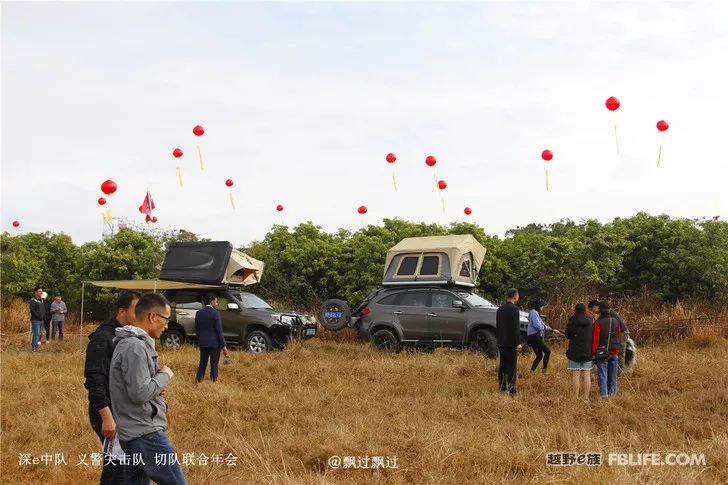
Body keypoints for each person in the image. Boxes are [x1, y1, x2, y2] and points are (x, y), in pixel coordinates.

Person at [109, 293, 186, 484]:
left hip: (132, 432)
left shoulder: (131, 344)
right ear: (153, 317)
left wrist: (155, 387)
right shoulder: (135, 347)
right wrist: (164, 376)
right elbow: (139, 393)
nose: (167, 325)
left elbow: (136, 387)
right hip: (144, 433)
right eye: (166, 320)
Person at [84, 291, 141, 485]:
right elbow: (94, 380)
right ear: (122, 311)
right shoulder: (104, 337)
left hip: (123, 412)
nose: (140, 316)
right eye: (136, 311)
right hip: (109, 414)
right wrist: (107, 418)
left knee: (121, 468)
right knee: (117, 470)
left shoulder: (128, 336)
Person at [588, 299, 630, 372]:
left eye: (592, 309)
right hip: (618, 332)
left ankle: (619, 371)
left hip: (622, 332)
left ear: (596, 307)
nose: (592, 312)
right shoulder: (605, 312)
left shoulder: (607, 312)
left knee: (619, 351)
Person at [195, 294, 229, 383]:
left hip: (203, 343)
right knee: (214, 364)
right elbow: (219, 331)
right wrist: (223, 346)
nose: (217, 303)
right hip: (215, 344)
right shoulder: (216, 313)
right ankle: (213, 382)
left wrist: (199, 341)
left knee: (202, 363)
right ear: (212, 301)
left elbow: (197, 330)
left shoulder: (199, 313)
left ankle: (198, 380)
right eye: (216, 301)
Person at [592, 301, 622, 398]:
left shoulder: (598, 323)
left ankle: (604, 394)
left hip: (603, 352)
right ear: (609, 310)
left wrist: (594, 352)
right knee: (613, 375)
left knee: (602, 374)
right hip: (614, 352)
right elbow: (619, 335)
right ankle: (613, 394)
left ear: (599, 310)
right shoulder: (615, 321)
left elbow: (595, 339)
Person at [496, 288, 522, 397]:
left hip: (501, 341)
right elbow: (515, 328)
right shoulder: (514, 309)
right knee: (512, 366)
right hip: (511, 342)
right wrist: (518, 343)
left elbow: (498, 325)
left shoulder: (500, 309)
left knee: (503, 365)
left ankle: (502, 387)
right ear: (515, 296)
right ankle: (512, 389)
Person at [565, 304, 594, 400]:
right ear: (585, 310)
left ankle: (575, 397)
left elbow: (567, 335)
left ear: (575, 310)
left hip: (574, 351)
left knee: (576, 375)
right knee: (586, 375)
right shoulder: (590, 321)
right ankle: (586, 398)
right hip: (587, 351)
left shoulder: (572, 320)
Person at [526, 298, 554, 372]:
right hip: (534, 337)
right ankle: (544, 370)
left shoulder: (535, 313)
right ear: (538, 306)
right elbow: (538, 326)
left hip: (532, 337)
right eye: (542, 306)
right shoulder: (534, 313)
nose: (542, 307)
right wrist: (544, 327)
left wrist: (552, 330)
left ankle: (532, 371)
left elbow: (542, 324)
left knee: (539, 356)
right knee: (548, 351)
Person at [29, 286, 46, 352]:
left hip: (42, 320)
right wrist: (39, 317)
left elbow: (43, 310)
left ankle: (36, 347)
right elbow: (32, 311)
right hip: (35, 320)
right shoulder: (33, 300)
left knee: (39, 334)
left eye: (41, 291)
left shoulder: (41, 300)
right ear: (35, 292)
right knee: (36, 334)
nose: (41, 292)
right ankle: (33, 348)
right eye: (39, 291)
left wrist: (44, 317)